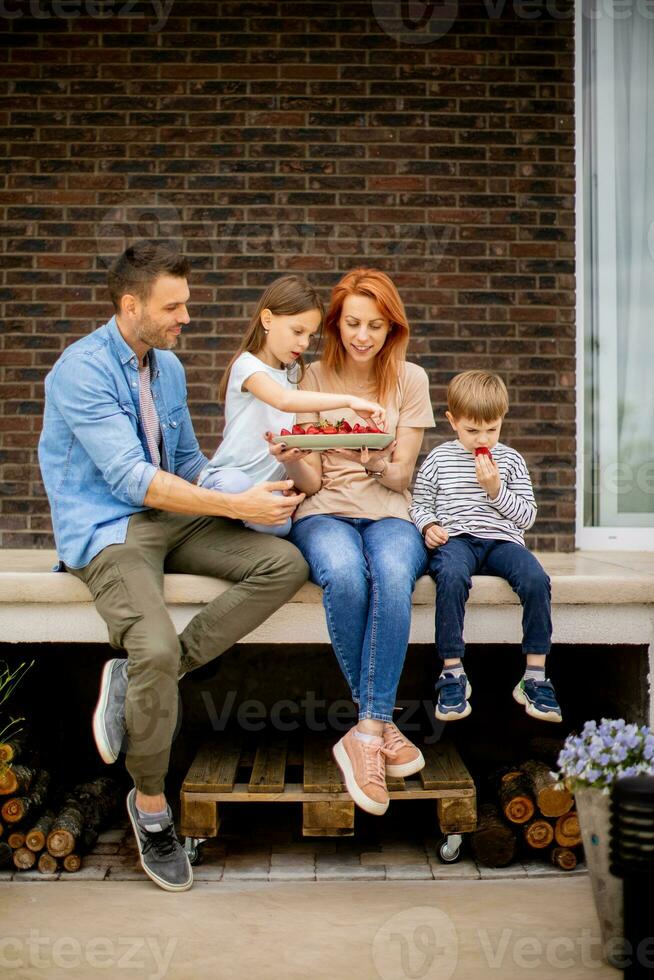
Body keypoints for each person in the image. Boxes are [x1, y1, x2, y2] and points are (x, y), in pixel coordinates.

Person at [38, 240, 309, 893]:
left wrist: (252, 499)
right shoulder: (79, 372)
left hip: (171, 515)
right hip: (107, 529)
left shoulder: (168, 368)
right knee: (154, 642)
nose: (186, 316)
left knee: (283, 562)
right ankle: (152, 809)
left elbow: (186, 462)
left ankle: (136, 680)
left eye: (185, 303)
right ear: (130, 306)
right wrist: (228, 499)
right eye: (173, 306)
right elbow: (133, 480)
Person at [267, 268, 435, 817]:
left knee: (390, 575)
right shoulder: (310, 377)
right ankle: (381, 724)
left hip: (391, 512)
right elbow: (312, 480)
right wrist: (292, 456)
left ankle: (364, 732)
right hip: (325, 513)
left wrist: (377, 459)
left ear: (393, 330)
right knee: (343, 573)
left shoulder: (410, 379)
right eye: (353, 324)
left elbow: (403, 476)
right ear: (336, 325)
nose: (363, 336)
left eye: (376, 326)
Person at [409, 370, 561, 725]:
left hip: (502, 541)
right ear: (452, 422)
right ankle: (451, 671)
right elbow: (419, 504)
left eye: (491, 430)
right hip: (456, 539)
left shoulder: (510, 460)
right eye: (472, 430)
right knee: (450, 576)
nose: (483, 439)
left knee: (537, 579)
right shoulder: (438, 460)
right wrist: (428, 526)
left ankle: (535, 675)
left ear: (502, 421)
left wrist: (495, 490)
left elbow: (526, 516)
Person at [198, 274, 385, 536]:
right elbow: (284, 401)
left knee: (283, 523)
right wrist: (348, 400)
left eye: (310, 335)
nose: (304, 343)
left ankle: (240, 524)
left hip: (267, 491)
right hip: (226, 480)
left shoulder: (293, 373)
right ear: (267, 319)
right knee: (236, 484)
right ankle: (227, 515)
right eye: (297, 331)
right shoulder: (248, 365)